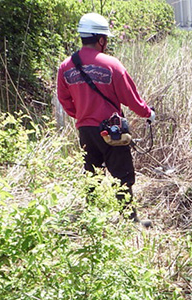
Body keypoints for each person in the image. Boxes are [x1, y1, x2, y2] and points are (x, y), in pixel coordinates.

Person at [57, 13, 155, 225]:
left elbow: (64, 100)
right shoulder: (112, 65)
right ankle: (130, 220)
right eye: (106, 40)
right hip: (112, 131)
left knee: (91, 174)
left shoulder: (66, 66)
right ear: (101, 39)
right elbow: (132, 99)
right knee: (122, 175)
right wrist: (148, 114)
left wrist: (82, 115)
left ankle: (91, 220)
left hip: (85, 130)